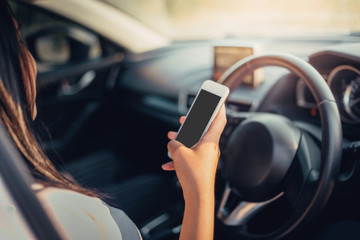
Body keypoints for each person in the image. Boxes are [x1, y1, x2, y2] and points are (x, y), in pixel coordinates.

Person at [0, 0, 227, 239]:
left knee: (112, 161)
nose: (30, 60)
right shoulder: (69, 217)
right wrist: (200, 191)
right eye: (18, 42)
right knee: (157, 184)